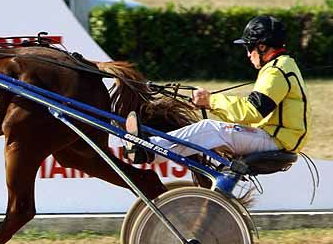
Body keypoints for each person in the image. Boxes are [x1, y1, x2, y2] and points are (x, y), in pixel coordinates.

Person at [125, 15, 311, 164]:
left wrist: (210, 100)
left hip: (275, 141)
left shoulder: (276, 70)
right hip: (275, 138)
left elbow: (252, 111)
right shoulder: (282, 65)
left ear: (262, 46)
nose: (247, 54)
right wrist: (211, 104)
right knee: (212, 132)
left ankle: (148, 149)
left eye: (249, 47)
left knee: (209, 129)